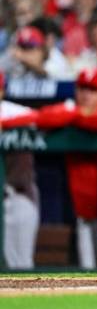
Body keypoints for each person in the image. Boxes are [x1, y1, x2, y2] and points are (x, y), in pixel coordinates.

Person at [36, 67, 97, 269]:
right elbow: (40, 117)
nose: (87, 94)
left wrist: (75, 116)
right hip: (84, 215)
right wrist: (76, 114)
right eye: (83, 89)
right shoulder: (71, 110)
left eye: (93, 89)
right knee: (88, 273)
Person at [0, 70, 40, 269]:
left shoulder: (15, 112)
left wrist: (6, 124)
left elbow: (45, 118)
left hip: (18, 195)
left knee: (20, 266)